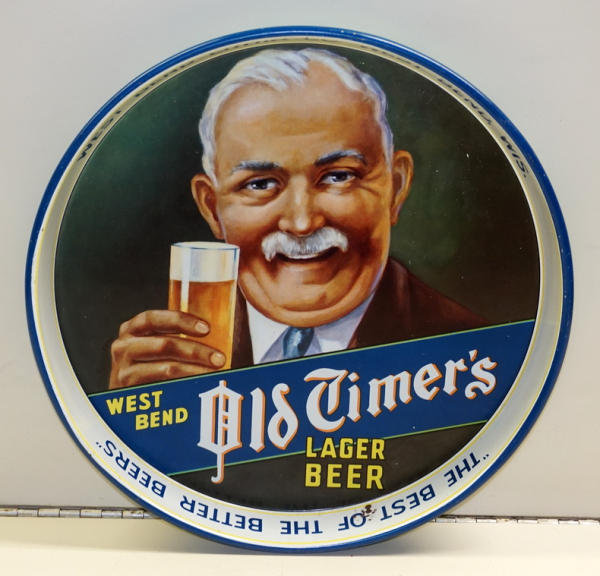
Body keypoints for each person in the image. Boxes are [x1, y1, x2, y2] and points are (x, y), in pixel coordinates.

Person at [109, 48, 484, 390]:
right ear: (212, 208)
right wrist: (132, 411)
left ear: (395, 189)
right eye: (260, 184)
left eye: (338, 176)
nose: (303, 223)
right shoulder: (163, 359)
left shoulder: (469, 351)